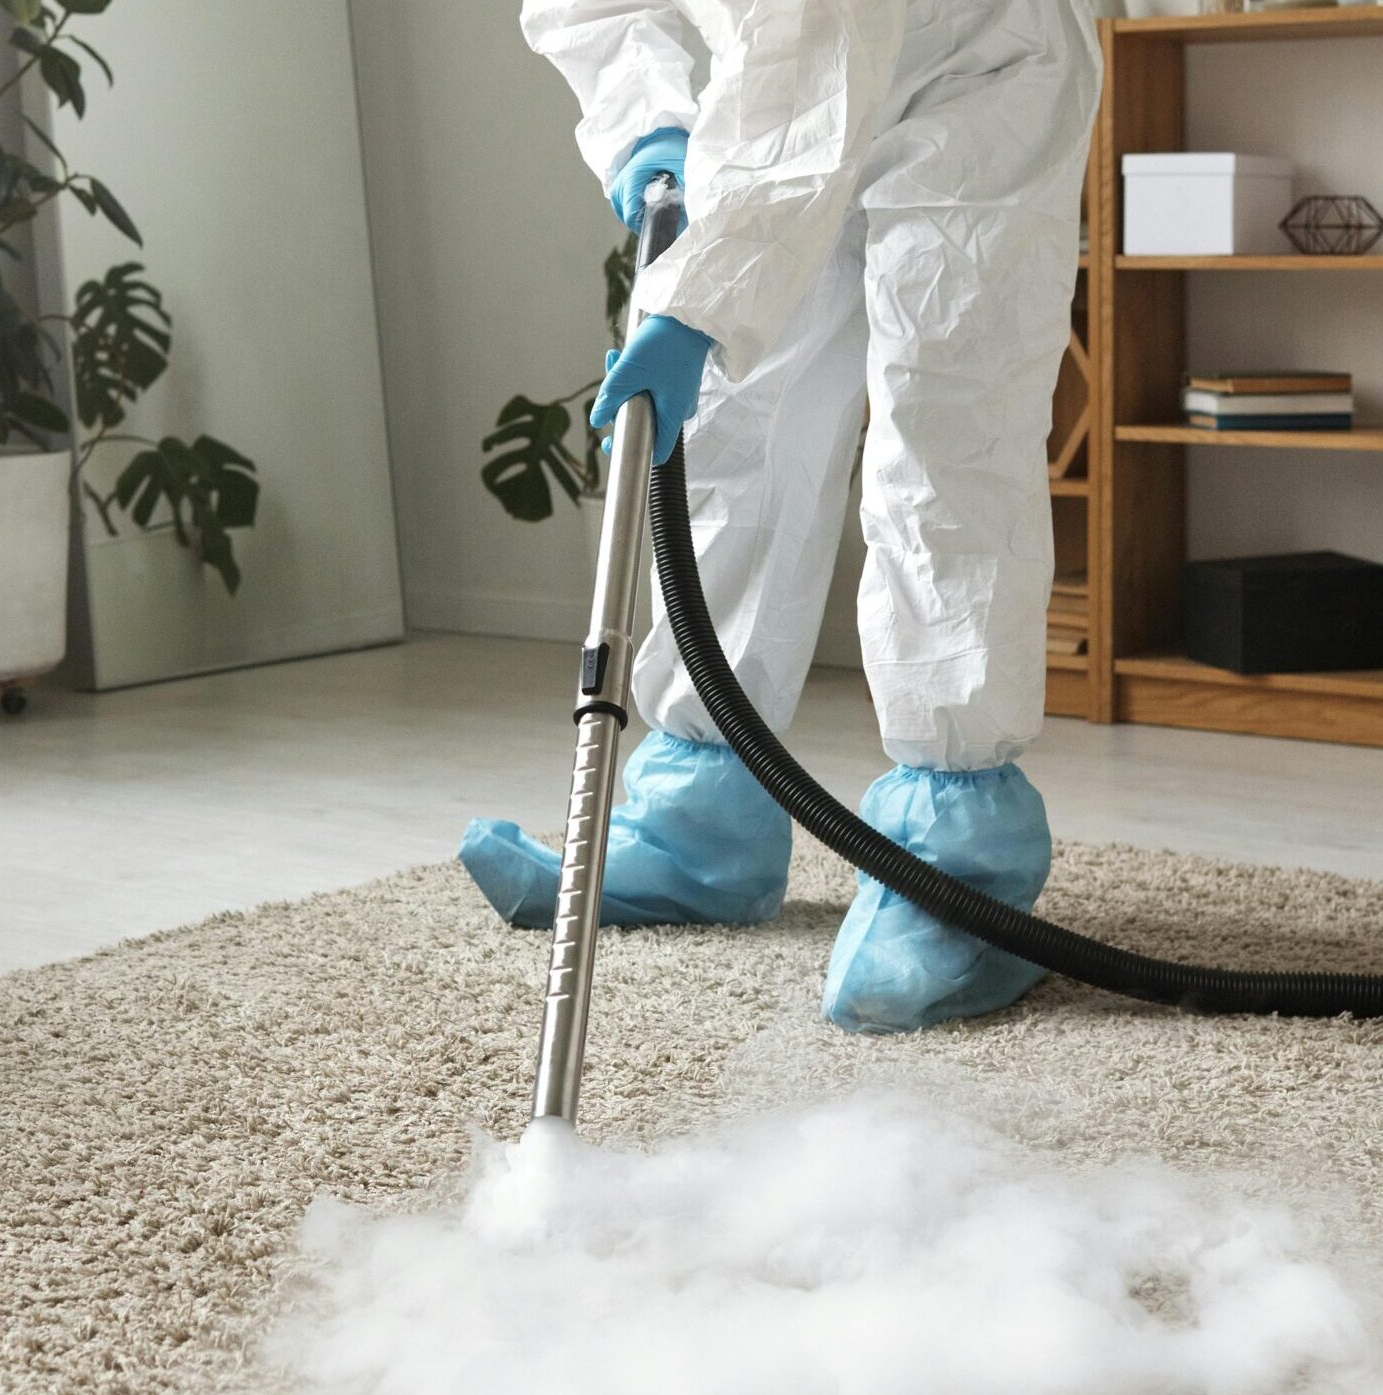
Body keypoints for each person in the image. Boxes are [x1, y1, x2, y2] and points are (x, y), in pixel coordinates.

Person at [460, 0, 1103, 1033]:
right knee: (736, 433)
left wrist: (692, 306)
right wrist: (649, 118)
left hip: (974, 67)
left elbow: (812, 52)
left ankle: (958, 865)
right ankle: (698, 828)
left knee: (942, 442)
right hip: (770, 85)